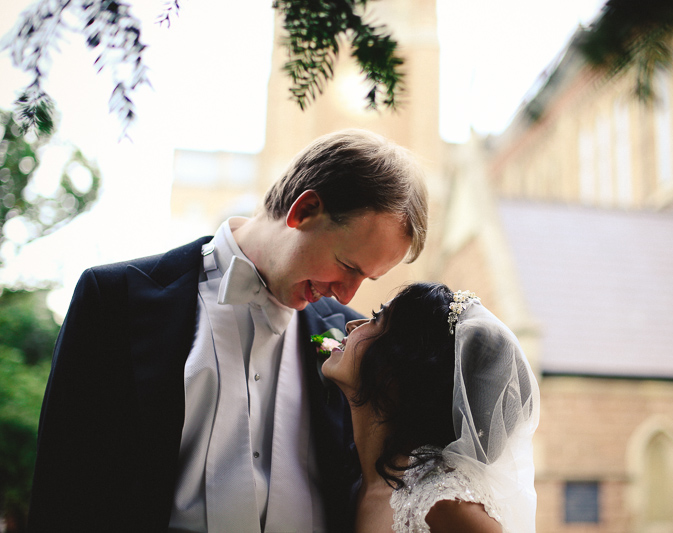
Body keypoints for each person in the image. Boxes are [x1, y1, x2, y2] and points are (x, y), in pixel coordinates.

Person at [27, 129, 428, 532]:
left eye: (366, 279)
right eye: (348, 266)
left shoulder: (353, 339)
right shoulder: (114, 300)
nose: (346, 296)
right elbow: (62, 488)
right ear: (304, 210)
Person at [321, 283, 539, 532]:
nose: (352, 324)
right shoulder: (348, 475)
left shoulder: (446, 506)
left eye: (374, 318)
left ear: (400, 368)